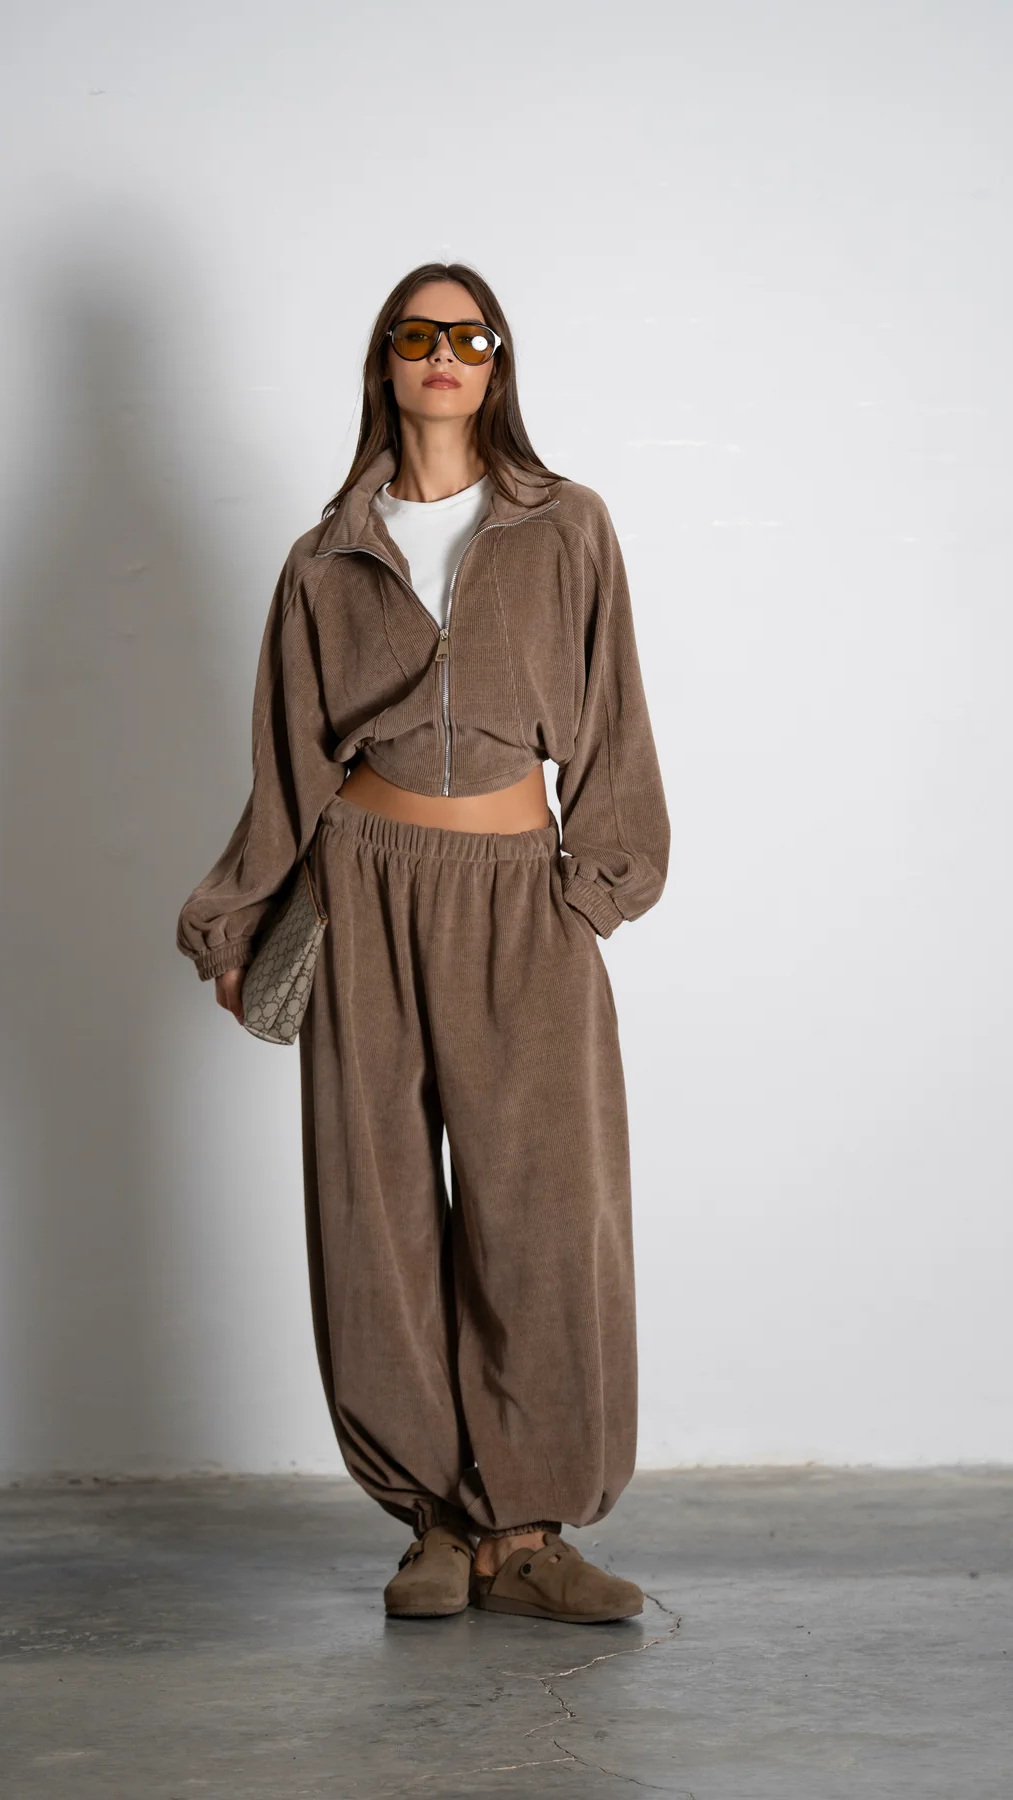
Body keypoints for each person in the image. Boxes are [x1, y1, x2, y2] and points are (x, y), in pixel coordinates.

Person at [176, 262, 670, 1624]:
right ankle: (435, 1525)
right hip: (364, 885)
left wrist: (595, 889)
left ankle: (529, 1527)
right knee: (377, 1217)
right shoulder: (324, 555)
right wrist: (237, 919)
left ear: (498, 362)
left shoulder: (569, 525)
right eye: (417, 333)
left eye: (470, 334)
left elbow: (615, 719)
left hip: (522, 897)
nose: (444, 353)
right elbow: (286, 763)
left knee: (543, 1213)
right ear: (385, 362)